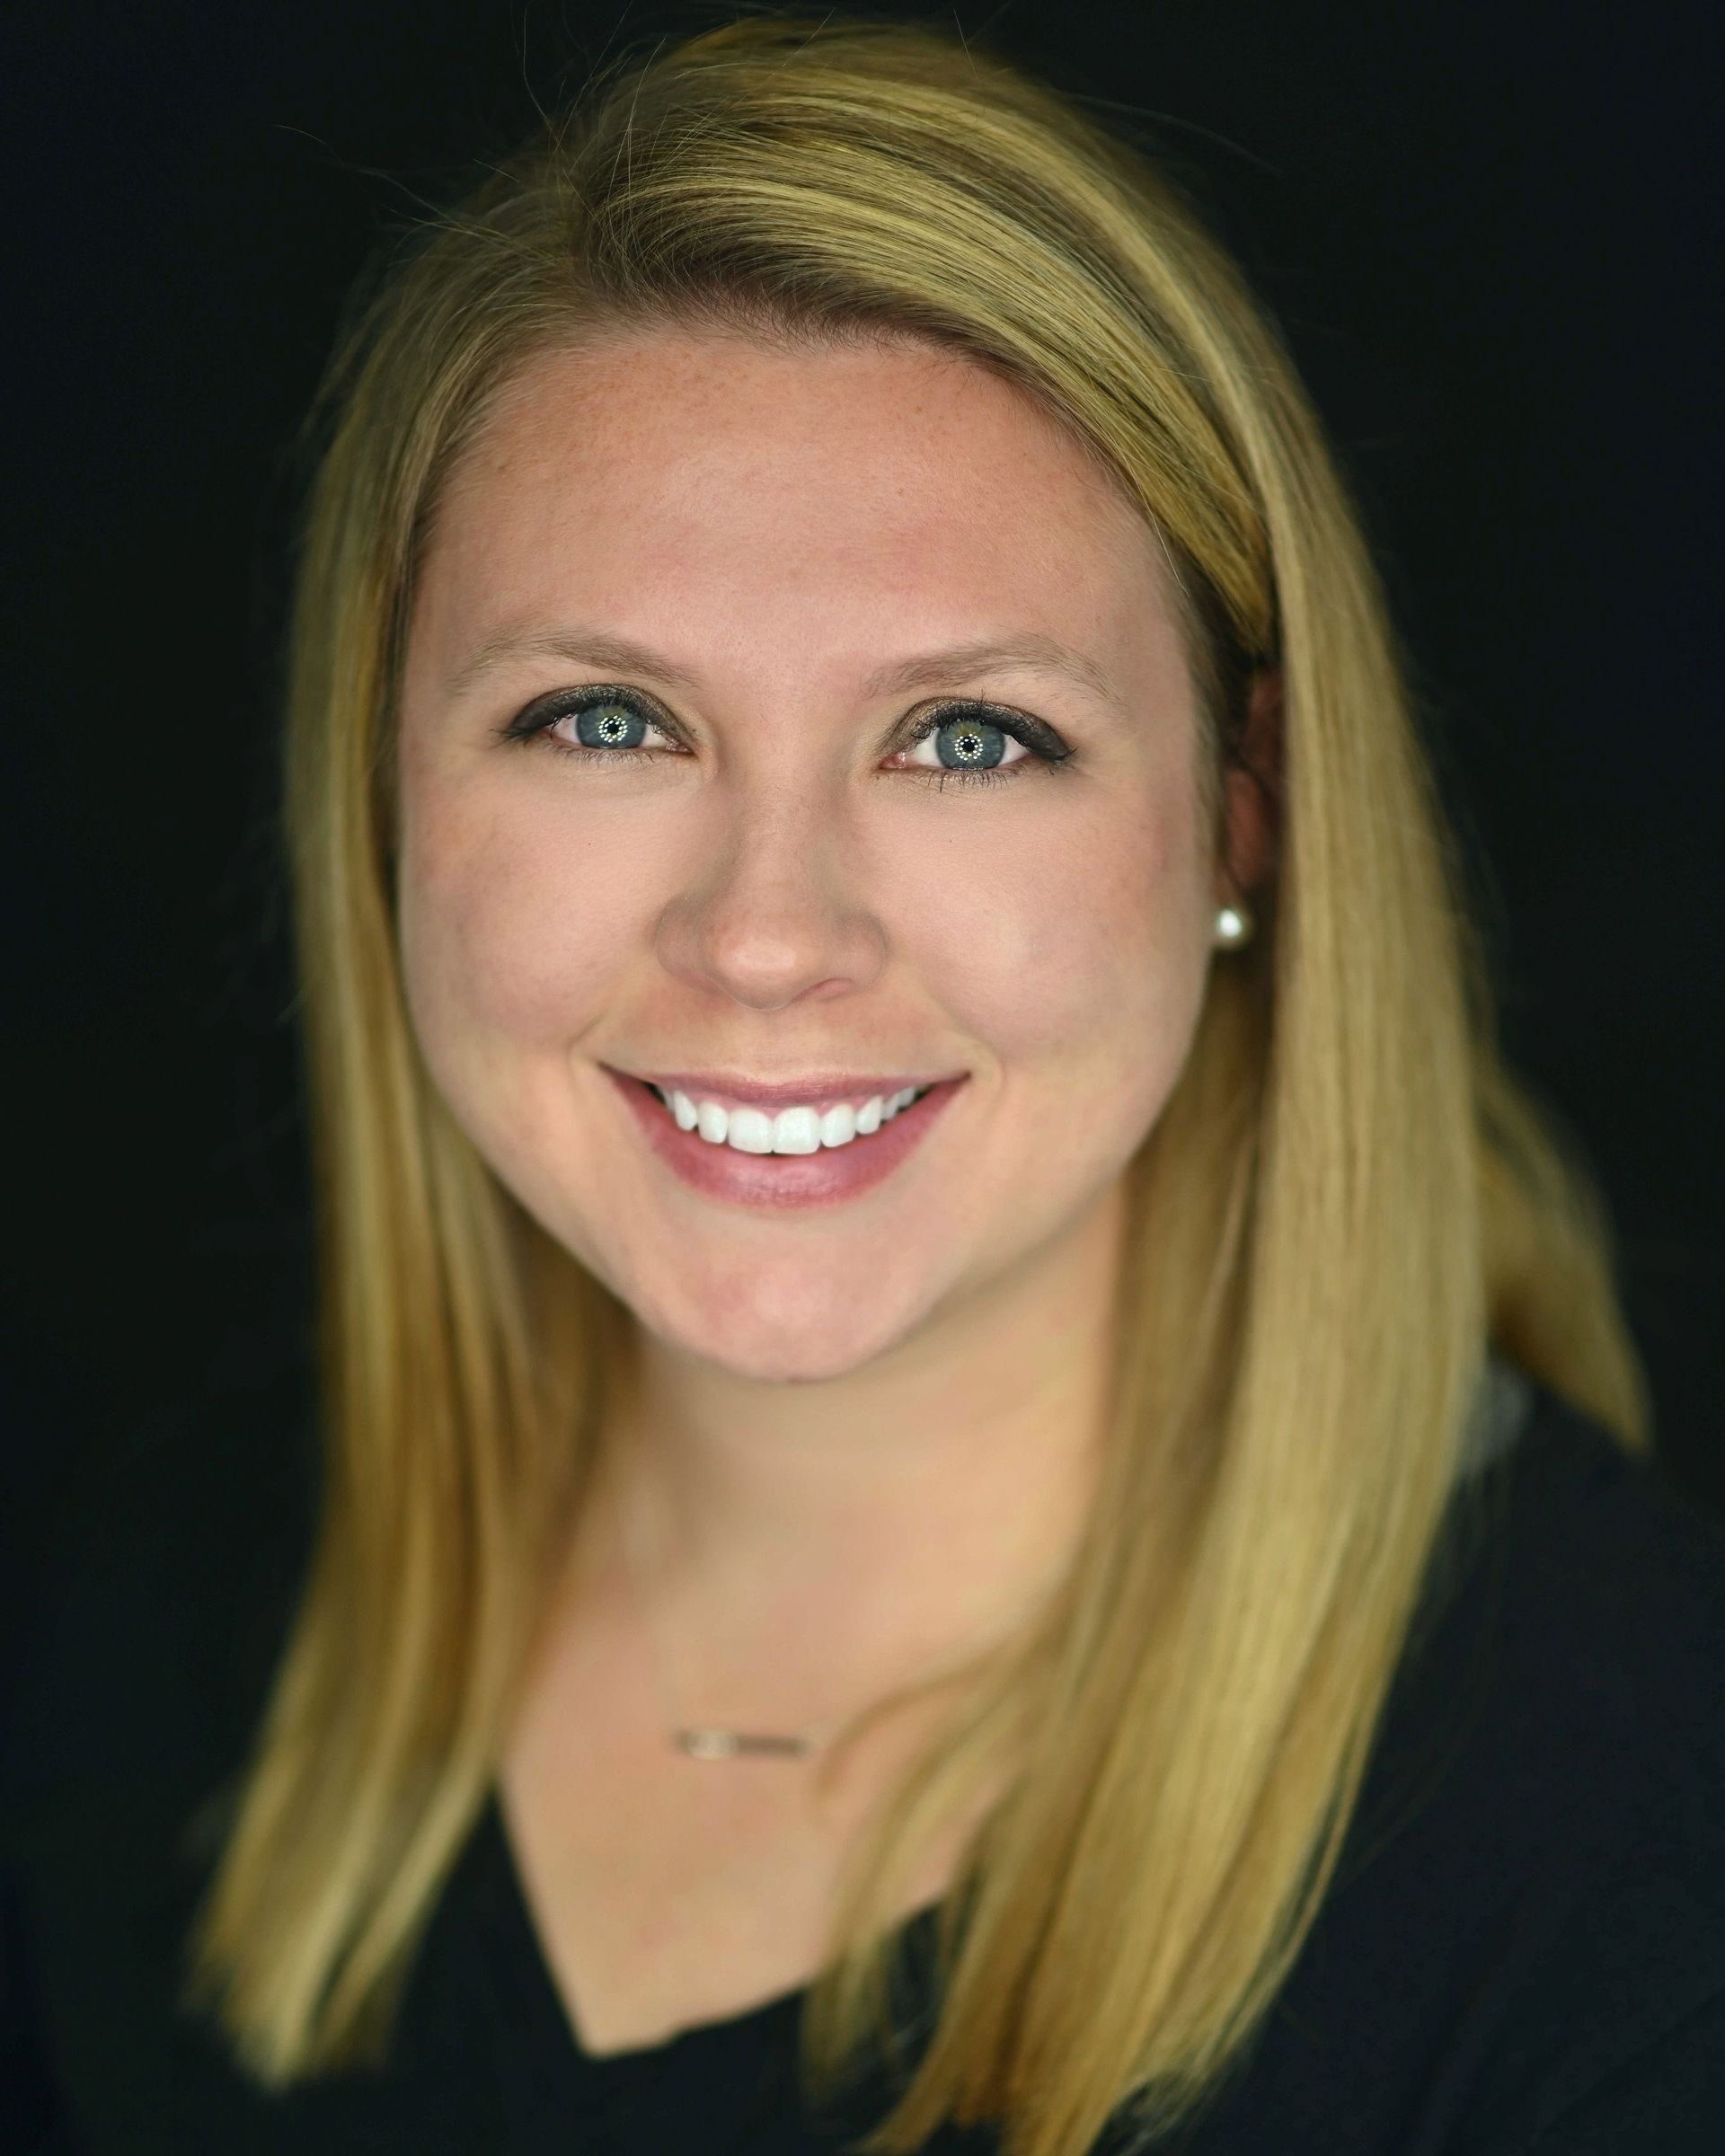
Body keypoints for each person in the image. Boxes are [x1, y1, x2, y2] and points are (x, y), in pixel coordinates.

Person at [4, 15, 1723, 2155]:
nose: (767, 935)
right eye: (605, 720)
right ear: (380, 784)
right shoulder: (161, 1629)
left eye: (973, 738)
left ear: (1244, 809)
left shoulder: (1640, 1874)